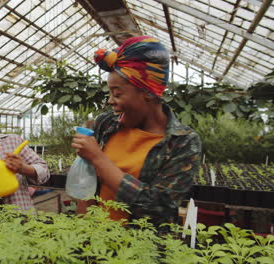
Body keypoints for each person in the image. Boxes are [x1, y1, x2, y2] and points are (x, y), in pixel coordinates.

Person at [72, 36, 201, 225]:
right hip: (96, 241)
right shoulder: (107, 123)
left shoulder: (182, 142)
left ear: (148, 92)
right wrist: (81, 229)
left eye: (117, 93)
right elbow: (88, 183)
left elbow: (157, 206)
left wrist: (98, 158)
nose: (110, 101)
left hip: (140, 247)